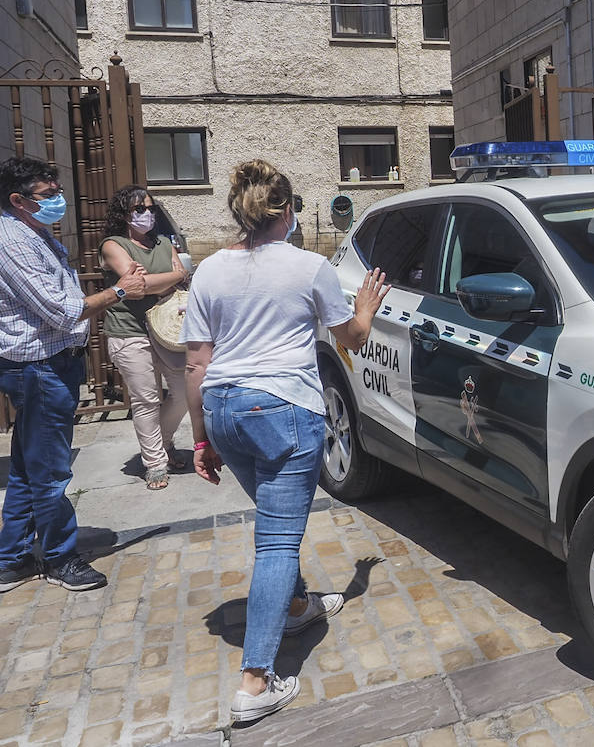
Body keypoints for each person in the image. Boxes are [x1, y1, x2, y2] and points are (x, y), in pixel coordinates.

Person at [183, 159, 389, 723]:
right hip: (283, 411)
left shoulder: (208, 271)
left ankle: (296, 604)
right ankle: (255, 681)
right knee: (275, 541)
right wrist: (367, 306)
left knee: (276, 521)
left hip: (224, 408)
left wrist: (202, 438)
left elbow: (197, 363)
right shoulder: (309, 267)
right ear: (289, 212)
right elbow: (352, 337)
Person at [0, 157, 148, 593]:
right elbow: (62, 311)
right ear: (18, 200)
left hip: (51, 363)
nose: (58, 201)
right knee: (50, 472)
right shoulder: (12, 241)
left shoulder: (33, 231)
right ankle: (61, 557)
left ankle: (12, 559)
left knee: (29, 468)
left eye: (57, 191)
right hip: (38, 368)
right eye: (47, 196)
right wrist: (120, 290)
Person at [101, 185, 190, 490]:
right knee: (147, 400)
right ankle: (154, 463)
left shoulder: (164, 242)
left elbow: (173, 276)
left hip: (168, 331)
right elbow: (139, 287)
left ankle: (162, 445)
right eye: (140, 209)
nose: (147, 214)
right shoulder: (114, 245)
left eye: (150, 208)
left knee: (183, 394)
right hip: (129, 331)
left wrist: (164, 279)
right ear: (124, 214)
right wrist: (171, 276)